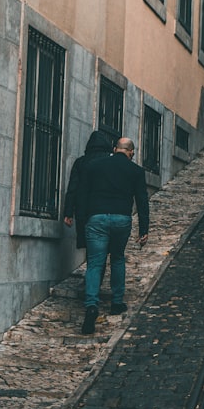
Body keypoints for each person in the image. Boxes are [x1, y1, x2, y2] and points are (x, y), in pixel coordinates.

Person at [78, 137, 149, 334]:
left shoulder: (95, 166)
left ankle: (91, 305)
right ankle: (117, 302)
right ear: (131, 152)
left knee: (94, 263)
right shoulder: (136, 171)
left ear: (114, 148)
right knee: (117, 258)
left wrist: (83, 219)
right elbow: (142, 201)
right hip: (121, 219)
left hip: (97, 217)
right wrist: (144, 229)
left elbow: (83, 193)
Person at [63, 130, 114, 249]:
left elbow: (72, 188)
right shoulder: (110, 161)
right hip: (105, 210)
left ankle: (93, 267)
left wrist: (68, 213)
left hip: (84, 211)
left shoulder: (80, 162)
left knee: (90, 246)